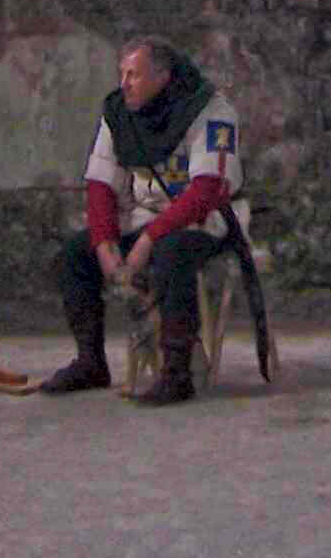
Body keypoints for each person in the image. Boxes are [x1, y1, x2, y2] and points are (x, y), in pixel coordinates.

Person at [40, 36, 266, 406]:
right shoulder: (119, 113)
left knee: (171, 252)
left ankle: (177, 373)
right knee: (73, 255)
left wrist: (147, 242)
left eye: (135, 75)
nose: (125, 83)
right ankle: (90, 361)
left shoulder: (210, 110)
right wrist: (104, 245)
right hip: (147, 216)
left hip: (204, 220)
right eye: (122, 74)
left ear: (162, 77)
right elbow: (101, 183)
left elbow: (206, 190)